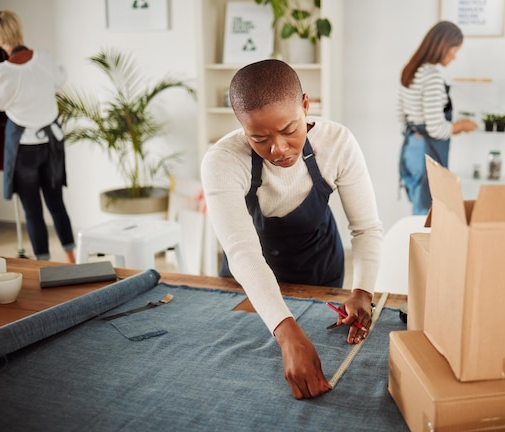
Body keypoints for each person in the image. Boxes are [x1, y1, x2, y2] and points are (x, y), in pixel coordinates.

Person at [201, 59, 383, 399]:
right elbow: (242, 253)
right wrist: (286, 332)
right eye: (259, 138)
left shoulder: (337, 143)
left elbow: (367, 228)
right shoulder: (223, 160)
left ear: (305, 105)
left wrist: (362, 292)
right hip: (248, 276)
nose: (279, 149)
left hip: (318, 267)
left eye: (289, 130)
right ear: (242, 127)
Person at [0, 10, 76, 263]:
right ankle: (72, 260)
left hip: (24, 151)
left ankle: (43, 265)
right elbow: (61, 78)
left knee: (33, 212)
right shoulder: (43, 58)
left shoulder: (1, 72)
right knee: (57, 204)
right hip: (52, 145)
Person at [397, 21, 478, 215]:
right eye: (454, 50)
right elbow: (436, 129)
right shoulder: (432, 77)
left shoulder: (410, 71)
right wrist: (461, 126)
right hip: (426, 152)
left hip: (410, 149)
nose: (454, 56)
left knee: (418, 208)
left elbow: (401, 115)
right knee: (426, 212)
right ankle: (423, 246)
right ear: (443, 45)